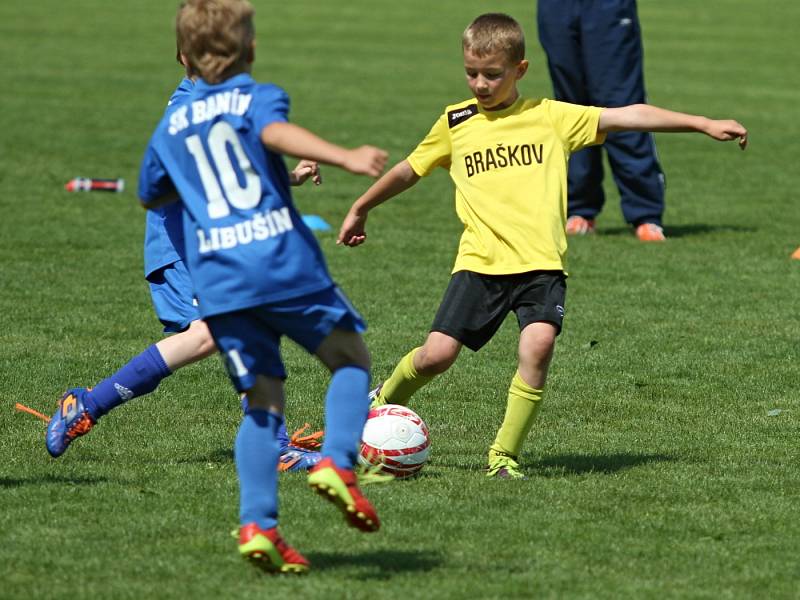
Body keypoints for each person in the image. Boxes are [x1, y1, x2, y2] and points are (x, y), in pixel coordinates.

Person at [338, 13, 746, 480]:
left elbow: (628, 114)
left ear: (520, 69)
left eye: (493, 74)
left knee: (538, 346)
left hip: (541, 265)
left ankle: (503, 455)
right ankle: (383, 402)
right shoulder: (457, 121)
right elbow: (410, 169)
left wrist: (701, 122)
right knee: (437, 356)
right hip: (480, 263)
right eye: (472, 72)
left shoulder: (551, 117)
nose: (481, 84)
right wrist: (362, 206)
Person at [138, 0, 389, 573]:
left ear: (184, 57)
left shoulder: (171, 123)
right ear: (250, 50)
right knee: (350, 358)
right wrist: (342, 154)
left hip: (220, 282)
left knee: (262, 401)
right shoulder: (257, 96)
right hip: (280, 261)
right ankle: (339, 463)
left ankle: (259, 526)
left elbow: (153, 192)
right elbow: (272, 130)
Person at [45, 53, 323, 474]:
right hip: (182, 247)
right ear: (185, 56)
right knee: (209, 335)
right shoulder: (187, 108)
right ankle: (86, 405)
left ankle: (273, 444)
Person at [537, 0, 667, 242]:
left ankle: (646, 213)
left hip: (605, 7)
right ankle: (579, 209)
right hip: (556, 7)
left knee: (620, 101)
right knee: (570, 106)